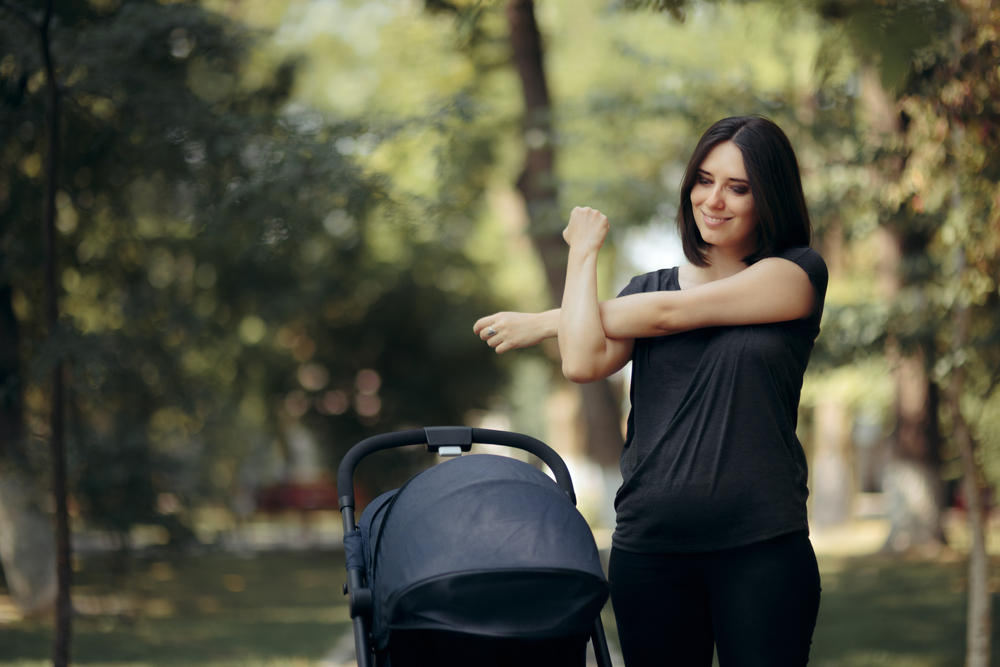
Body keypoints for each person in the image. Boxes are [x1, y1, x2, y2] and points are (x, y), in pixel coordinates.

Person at [473, 115, 827, 666]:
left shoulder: (795, 275)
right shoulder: (644, 290)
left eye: (738, 187)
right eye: (704, 180)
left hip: (761, 547)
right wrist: (583, 251)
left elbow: (669, 315)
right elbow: (583, 358)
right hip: (651, 549)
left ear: (770, 198)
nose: (714, 200)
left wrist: (547, 319)